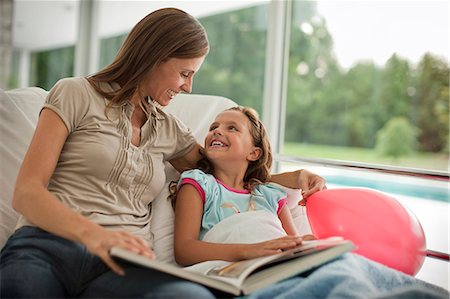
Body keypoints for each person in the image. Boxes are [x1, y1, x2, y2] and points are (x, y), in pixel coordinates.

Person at [0, 7, 326, 298]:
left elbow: (227, 169)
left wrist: (290, 177)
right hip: (45, 247)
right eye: (185, 73)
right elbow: (27, 192)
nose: (188, 87)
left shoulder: (168, 129)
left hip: (121, 265)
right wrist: (95, 235)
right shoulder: (75, 93)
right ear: (155, 57)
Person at [174, 106, 316, 266]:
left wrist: (306, 244)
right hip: (232, 272)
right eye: (213, 127)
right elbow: (184, 250)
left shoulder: (271, 195)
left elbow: (294, 248)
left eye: (232, 128)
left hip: (276, 268)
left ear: (253, 153)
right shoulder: (199, 183)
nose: (217, 131)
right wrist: (249, 251)